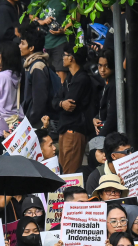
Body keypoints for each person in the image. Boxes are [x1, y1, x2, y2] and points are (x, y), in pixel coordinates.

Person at [53, 45, 92, 174]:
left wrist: (60, 103)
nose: (62, 58)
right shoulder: (70, 78)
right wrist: (60, 103)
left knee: (70, 173)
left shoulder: (82, 79)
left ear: (71, 58)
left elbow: (69, 106)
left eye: (64, 55)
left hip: (74, 130)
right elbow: (55, 101)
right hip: (65, 129)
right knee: (63, 171)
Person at [17, 25, 55, 129]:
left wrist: (31, 121)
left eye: (23, 43)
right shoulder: (31, 64)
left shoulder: (37, 67)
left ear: (31, 48)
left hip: (37, 123)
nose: (19, 46)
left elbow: (39, 100)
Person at [94, 48, 117, 136]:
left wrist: (100, 137)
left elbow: (112, 116)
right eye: (100, 65)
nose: (102, 70)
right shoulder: (106, 81)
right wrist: (96, 118)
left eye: (106, 66)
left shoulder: (113, 85)